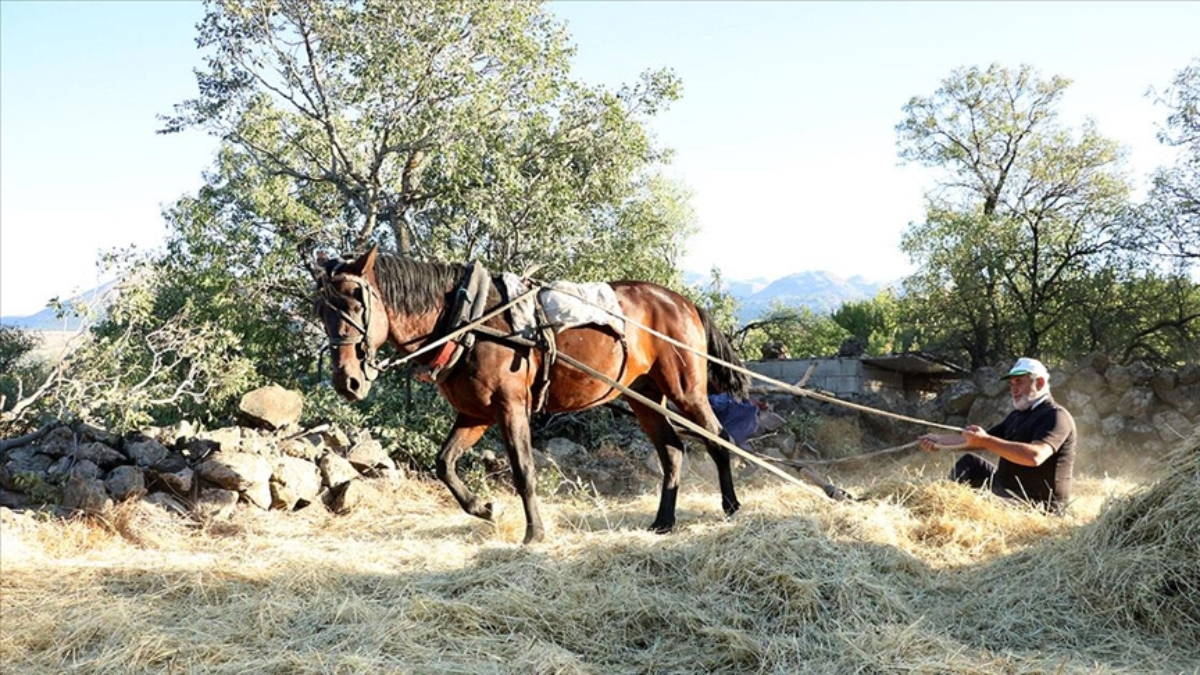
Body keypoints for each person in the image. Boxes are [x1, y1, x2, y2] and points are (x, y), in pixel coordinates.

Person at [917, 357, 1078, 514]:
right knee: (970, 462)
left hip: (1035, 503)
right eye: (1011, 383)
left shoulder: (1056, 416)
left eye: (1019, 382)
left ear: (1040, 383)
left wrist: (986, 441)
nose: (1013, 389)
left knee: (978, 503)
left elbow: (1034, 456)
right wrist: (939, 441)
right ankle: (938, 508)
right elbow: (975, 440)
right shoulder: (1017, 415)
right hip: (1006, 487)